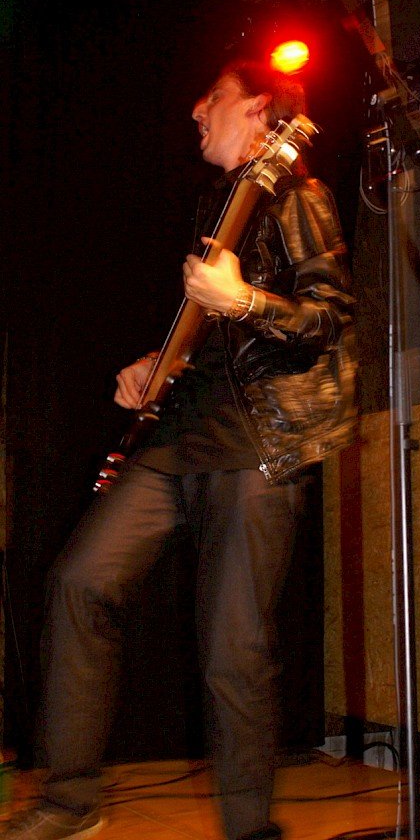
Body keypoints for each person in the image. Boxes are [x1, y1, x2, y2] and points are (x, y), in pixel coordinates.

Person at [4, 59, 356, 840]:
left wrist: (245, 299)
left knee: (233, 647)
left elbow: (327, 317)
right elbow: (211, 338)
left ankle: (249, 830)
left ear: (260, 110)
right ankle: (70, 801)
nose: (197, 108)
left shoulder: (299, 197)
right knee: (78, 583)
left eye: (215, 97)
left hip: (256, 444)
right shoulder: (220, 204)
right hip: (177, 438)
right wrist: (156, 365)